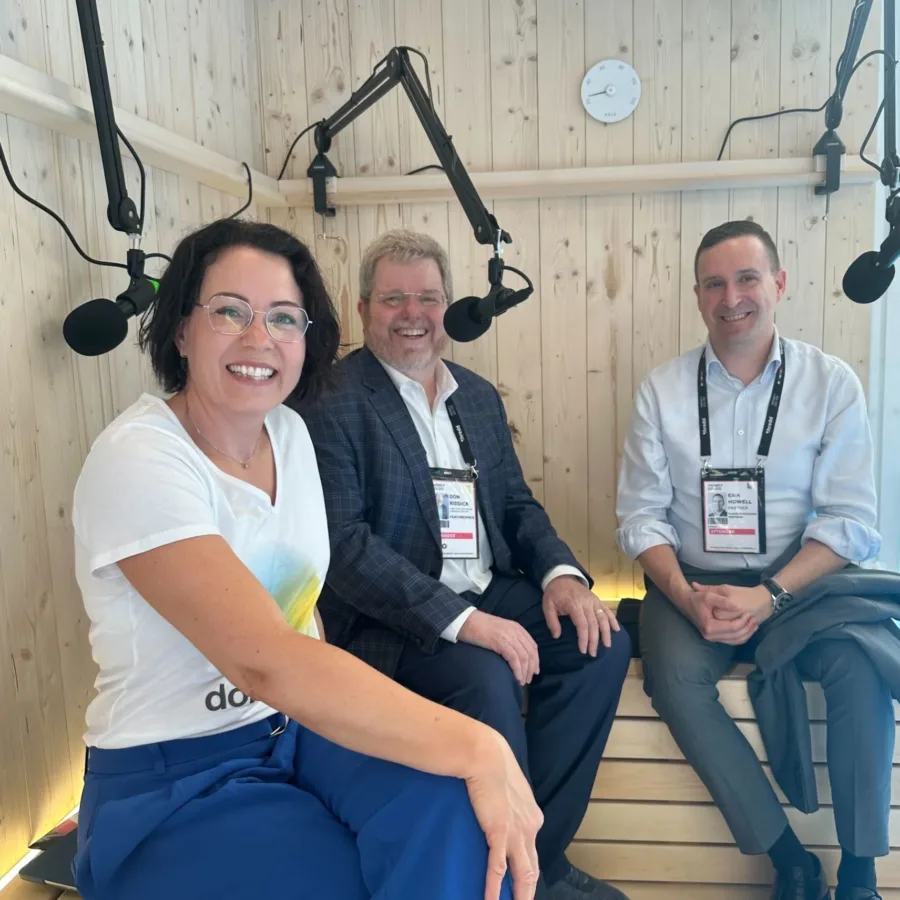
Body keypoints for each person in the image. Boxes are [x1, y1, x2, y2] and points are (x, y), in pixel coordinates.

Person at [70, 219, 543, 900]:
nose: (259, 339)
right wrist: (479, 745)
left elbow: (302, 614)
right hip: (173, 776)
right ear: (180, 329)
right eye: (230, 311)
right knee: (351, 873)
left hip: (292, 735)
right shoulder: (139, 458)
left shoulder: (289, 433)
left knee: (461, 821)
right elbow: (263, 657)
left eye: (285, 318)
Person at [301, 229, 633, 900]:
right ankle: (499, 879)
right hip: (392, 617)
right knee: (485, 678)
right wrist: (464, 622)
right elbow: (345, 547)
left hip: (488, 586)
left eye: (427, 297)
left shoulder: (475, 395)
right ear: (363, 308)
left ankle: (540, 858)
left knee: (602, 644)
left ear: (448, 305)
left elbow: (514, 505)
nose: (413, 314)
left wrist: (562, 577)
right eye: (395, 298)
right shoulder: (331, 399)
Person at [615, 219, 890, 900]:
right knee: (674, 679)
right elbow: (640, 517)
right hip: (693, 584)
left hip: (803, 581)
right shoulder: (662, 390)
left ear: (779, 285)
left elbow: (851, 522)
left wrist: (770, 595)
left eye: (747, 279)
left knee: (859, 669)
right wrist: (686, 597)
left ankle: (859, 871)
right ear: (698, 296)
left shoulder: (831, 384)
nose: (731, 296)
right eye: (714, 283)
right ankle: (788, 859)